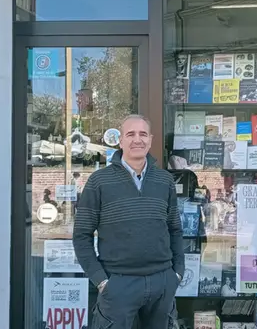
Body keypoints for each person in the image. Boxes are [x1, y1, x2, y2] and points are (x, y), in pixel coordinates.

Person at [73, 114, 184, 329]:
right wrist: (102, 281)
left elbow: (175, 230)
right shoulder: (99, 181)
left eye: (143, 134)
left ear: (150, 140)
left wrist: (176, 274)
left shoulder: (164, 180)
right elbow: (81, 236)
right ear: (121, 140)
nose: (137, 140)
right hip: (118, 284)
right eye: (130, 134)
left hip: (161, 283)